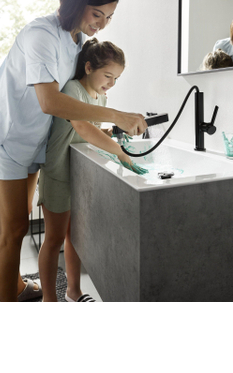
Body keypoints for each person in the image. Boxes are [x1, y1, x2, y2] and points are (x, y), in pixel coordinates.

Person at [0, 0, 148, 302]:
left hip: (35, 140)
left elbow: (77, 98)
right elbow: (51, 102)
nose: (102, 24)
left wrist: (108, 125)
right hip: (7, 138)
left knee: (22, 220)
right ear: (77, 3)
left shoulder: (78, 41)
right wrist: (117, 116)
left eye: (109, 17)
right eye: (97, 14)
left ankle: (17, 286)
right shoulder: (40, 35)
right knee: (14, 229)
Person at [37, 38, 147, 302]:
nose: (111, 83)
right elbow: (82, 127)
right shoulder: (72, 89)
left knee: (74, 237)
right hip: (58, 173)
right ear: (88, 67)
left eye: (116, 78)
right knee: (54, 239)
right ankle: (49, 300)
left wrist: (112, 134)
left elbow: (91, 131)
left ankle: (73, 292)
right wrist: (119, 152)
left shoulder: (102, 97)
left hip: (79, 173)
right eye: (108, 75)